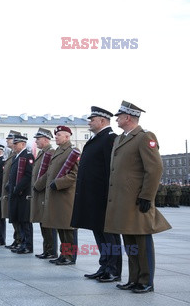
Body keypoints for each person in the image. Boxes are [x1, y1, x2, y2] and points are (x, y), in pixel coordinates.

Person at [105, 101, 171, 293]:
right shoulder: (120, 139)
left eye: (119, 116)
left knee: (141, 242)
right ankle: (134, 278)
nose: (116, 119)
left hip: (136, 200)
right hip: (123, 201)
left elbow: (155, 168)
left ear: (128, 118)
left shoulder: (144, 137)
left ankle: (146, 280)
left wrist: (146, 196)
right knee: (130, 242)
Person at [70, 107, 122, 282]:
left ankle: (113, 269)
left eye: (92, 119)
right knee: (100, 234)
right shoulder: (96, 139)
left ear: (102, 120)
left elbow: (111, 170)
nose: (89, 122)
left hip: (103, 196)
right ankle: (104, 265)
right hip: (93, 197)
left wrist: (109, 195)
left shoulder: (109, 139)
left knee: (110, 236)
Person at [35, 125, 79, 265]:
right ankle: (63, 254)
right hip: (56, 196)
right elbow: (50, 172)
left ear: (67, 136)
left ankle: (70, 256)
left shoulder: (73, 152)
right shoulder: (58, 151)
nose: (56, 137)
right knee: (60, 227)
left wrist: (59, 183)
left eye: (59, 135)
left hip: (65, 195)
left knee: (68, 229)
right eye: (56, 134)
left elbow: (75, 175)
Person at [31, 128, 57, 259]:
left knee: (47, 223)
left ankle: (51, 250)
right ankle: (47, 249)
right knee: (42, 223)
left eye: (38, 139)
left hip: (44, 191)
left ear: (46, 139)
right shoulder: (42, 153)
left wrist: (38, 185)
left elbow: (49, 172)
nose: (36, 141)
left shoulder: (51, 152)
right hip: (39, 192)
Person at [7, 134, 34, 254]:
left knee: (24, 221)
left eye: (16, 144)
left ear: (23, 144)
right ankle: (22, 243)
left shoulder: (27, 156)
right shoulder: (16, 157)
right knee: (18, 220)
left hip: (23, 194)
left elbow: (28, 175)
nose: (14, 145)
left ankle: (28, 245)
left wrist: (18, 188)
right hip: (15, 193)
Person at [1, 130, 22, 250]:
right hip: (10, 188)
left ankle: (19, 240)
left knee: (17, 218)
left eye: (10, 139)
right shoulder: (11, 154)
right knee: (13, 217)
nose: (8, 141)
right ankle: (17, 239)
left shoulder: (17, 155)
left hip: (15, 189)